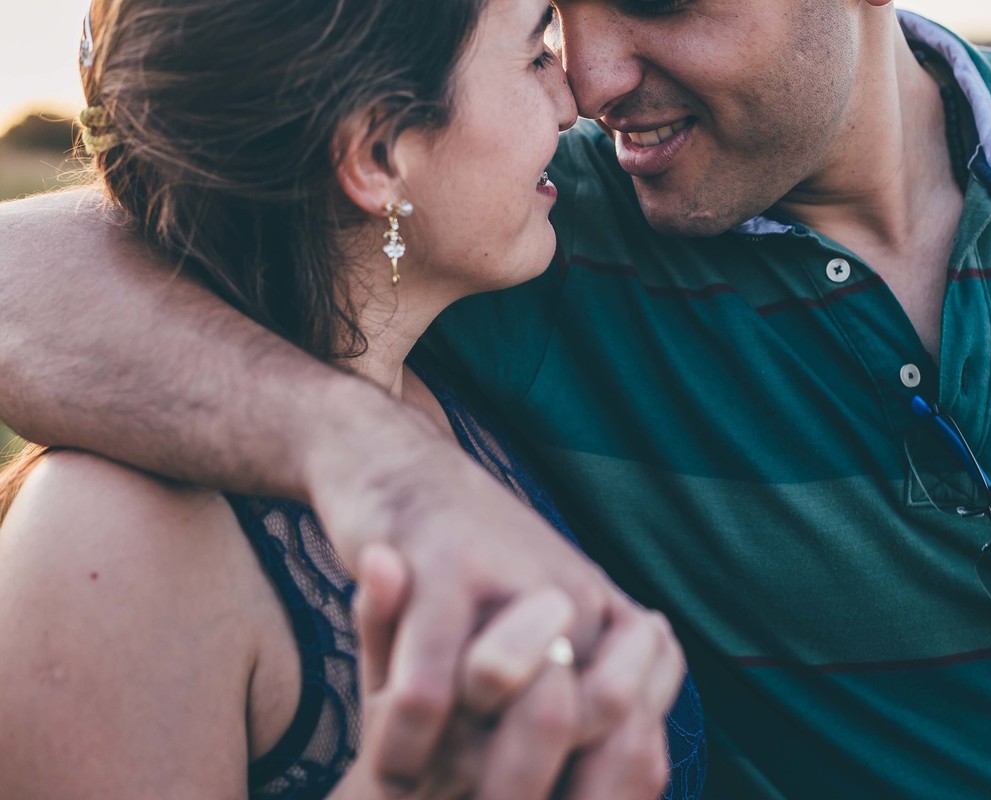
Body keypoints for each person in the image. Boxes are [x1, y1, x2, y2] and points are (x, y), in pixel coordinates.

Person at [2, 0, 991, 796]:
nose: (595, 77)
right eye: (559, 20)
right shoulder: (547, 232)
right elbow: (60, 257)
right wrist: (357, 453)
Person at [0, 0, 701, 798]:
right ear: (375, 155)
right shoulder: (105, 546)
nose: (573, 99)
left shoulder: (456, 378)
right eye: (535, 51)